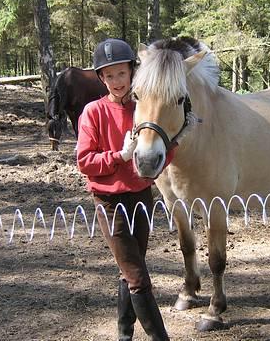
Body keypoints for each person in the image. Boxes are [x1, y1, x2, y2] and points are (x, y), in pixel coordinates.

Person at [76, 38, 178, 341]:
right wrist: (118, 157)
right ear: (101, 79)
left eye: (121, 73)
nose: (117, 81)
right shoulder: (93, 112)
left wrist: (168, 150)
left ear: (132, 72)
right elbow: (84, 161)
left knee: (131, 270)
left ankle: (124, 335)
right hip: (109, 202)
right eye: (109, 76)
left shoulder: (142, 108)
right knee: (136, 275)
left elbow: (164, 147)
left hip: (141, 195)